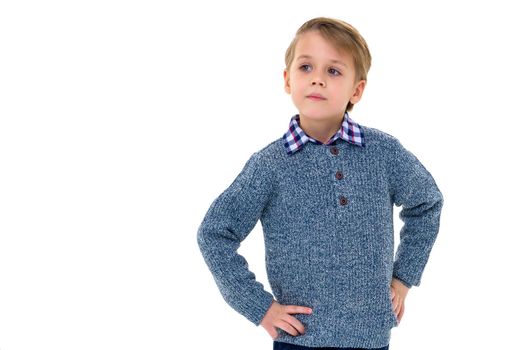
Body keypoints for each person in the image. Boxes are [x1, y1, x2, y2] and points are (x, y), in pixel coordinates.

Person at [197, 16, 444, 350]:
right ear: (287, 80)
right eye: (306, 68)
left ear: (356, 89)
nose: (317, 80)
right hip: (298, 339)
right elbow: (214, 233)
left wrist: (402, 279)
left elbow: (427, 202)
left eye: (333, 71)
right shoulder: (270, 164)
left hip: (369, 337)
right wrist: (261, 308)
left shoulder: (384, 153)